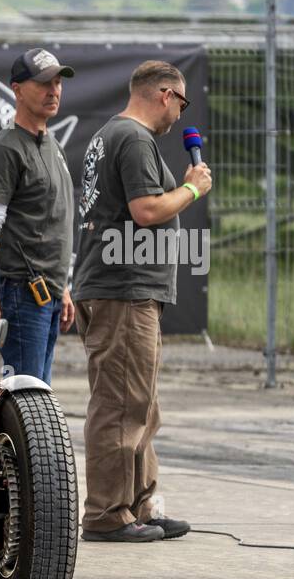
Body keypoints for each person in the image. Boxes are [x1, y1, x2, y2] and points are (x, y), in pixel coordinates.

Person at [73, 60, 212, 543]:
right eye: (181, 102)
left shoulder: (110, 135)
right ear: (166, 95)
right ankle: (107, 513)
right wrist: (193, 187)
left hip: (119, 285)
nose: (180, 114)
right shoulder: (133, 139)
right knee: (119, 403)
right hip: (123, 288)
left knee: (141, 403)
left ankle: (139, 504)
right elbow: (146, 210)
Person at [0, 48, 77, 383]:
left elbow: (48, 224)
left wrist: (63, 288)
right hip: (21, 292)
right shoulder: (6, 148)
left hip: (47, 291)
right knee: (26, 395)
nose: (54, 90)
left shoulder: (51, 143)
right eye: (44, 82)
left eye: (58, 82)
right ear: (17, 89)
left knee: (38, 397)